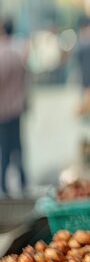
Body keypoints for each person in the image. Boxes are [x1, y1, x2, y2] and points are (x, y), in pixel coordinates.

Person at [0, 19, 28, 197]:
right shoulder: (18, 52)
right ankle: (23, 180)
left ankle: (4, 184)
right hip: (16, 107)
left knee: (6, 148)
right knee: (17, 146)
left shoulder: (2, 54)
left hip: (2, 110)